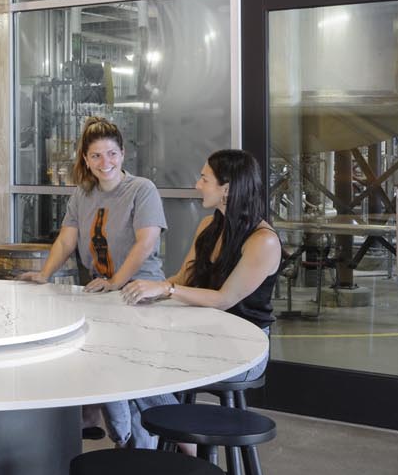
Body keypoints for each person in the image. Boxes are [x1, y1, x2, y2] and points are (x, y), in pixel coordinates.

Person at [114, 148, 281, 445]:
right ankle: (147, 449)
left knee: (140, 370)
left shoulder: (263, 241)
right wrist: (149, 290)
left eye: (205, 179)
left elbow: (224, 299)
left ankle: (183, 446)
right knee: (129, 357)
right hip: (202, 335)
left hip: (245, 351)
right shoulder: (208, 226)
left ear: (226, 189)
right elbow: (184, 278)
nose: (197, 185)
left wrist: (167, 289)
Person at [20, 117, 165, 292]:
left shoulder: (142, 189)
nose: (105, 163)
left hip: (142, 291)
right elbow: (66, 242)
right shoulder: (82, 193)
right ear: (86, 160)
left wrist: (115, 282)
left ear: (122, 153)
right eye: (96, 156)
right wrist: (44, 274)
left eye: (112, 153)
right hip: (101, 290)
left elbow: (145, 244)